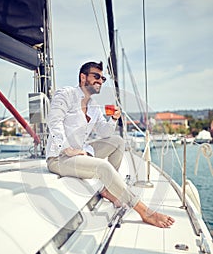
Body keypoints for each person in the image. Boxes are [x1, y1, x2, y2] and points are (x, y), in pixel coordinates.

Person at [46, 61, 175, 228]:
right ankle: (145, 212)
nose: (100, 81)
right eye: (96, 76)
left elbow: (105, 133)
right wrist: (66, 148)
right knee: (103, 167)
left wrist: (113, 119)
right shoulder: (66, 94)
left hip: (80, 153)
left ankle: (109, 189)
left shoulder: (93, 107)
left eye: (103, 78)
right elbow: (54, 120)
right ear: (83, 77)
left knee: (117, 142)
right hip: (59, 157)